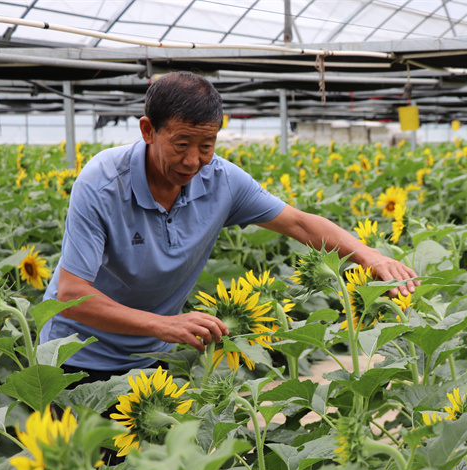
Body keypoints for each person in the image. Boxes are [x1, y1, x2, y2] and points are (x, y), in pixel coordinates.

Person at [40, 71, 418, 381]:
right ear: (147, 130)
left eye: (207, 145)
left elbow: (300, 224)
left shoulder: (221, 180)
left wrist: (370, 256)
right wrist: (163, 325)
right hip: (76, 358)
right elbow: (70, 296)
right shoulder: (103, 183)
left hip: (153, 359)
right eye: (181, 144)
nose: (193, 160)